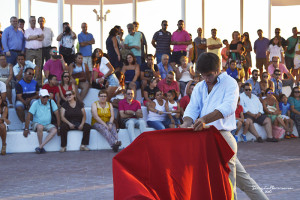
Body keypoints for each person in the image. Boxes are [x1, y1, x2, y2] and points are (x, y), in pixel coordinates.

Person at [181, 53, 268, 200]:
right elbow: (192, 108)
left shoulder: (230, 83)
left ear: (218, 70)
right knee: (243, 180)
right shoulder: (200, 87)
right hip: (205, 139)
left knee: (227, 185)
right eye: (203, 75)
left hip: (223, 138)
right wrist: (186, 123)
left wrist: (204, 119)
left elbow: (228, 107)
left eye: (209, 75)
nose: (206, 79)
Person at [23, 89, 60, 154]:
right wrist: (26, 128)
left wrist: (59, 126)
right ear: (40, 96)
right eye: (44, 97)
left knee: (55, 130)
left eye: (47, 96)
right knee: (40, 127)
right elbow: (29, 115)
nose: (46, 98)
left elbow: (57, 114)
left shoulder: (51, 102)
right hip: (37, 123)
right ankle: (41, 147)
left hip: (48, 124)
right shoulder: (35, 103)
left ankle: (40, 147)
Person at [24, 16, 44, 86]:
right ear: (29, 21)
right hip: (30, 51)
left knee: (39, 67)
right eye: (32, 20)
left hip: (39, 51)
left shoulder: (39, 29)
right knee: (28, 66)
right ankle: (27, 82)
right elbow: (28, 37)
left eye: (34, 20)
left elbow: (42, 38)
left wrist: (33, 37)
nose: (33, 21)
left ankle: (38, 84)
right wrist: (37, 36)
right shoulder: (27, 30)